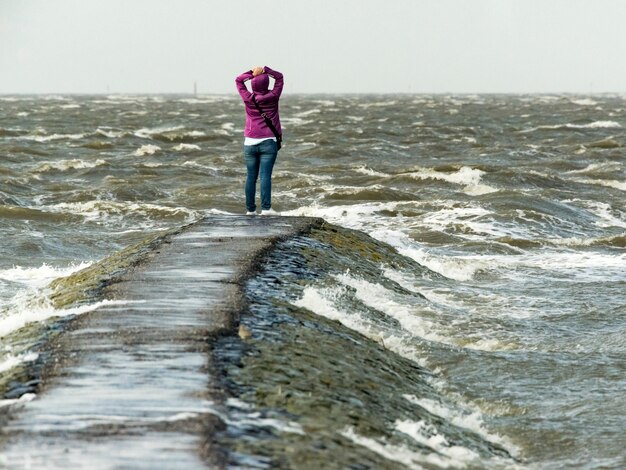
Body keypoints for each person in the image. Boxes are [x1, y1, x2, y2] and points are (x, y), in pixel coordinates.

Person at [235, 65, 283, 216]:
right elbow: (280, 77)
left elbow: (238, 80)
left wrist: (251, 73)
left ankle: (250, 210)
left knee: (251, 176)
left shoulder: (248, 98)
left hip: (250, 142)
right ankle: (266, 209)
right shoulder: (274, 96)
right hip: (269, 141)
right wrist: (266, 69)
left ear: (253, 84)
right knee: (265, 176)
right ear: (267, 83)